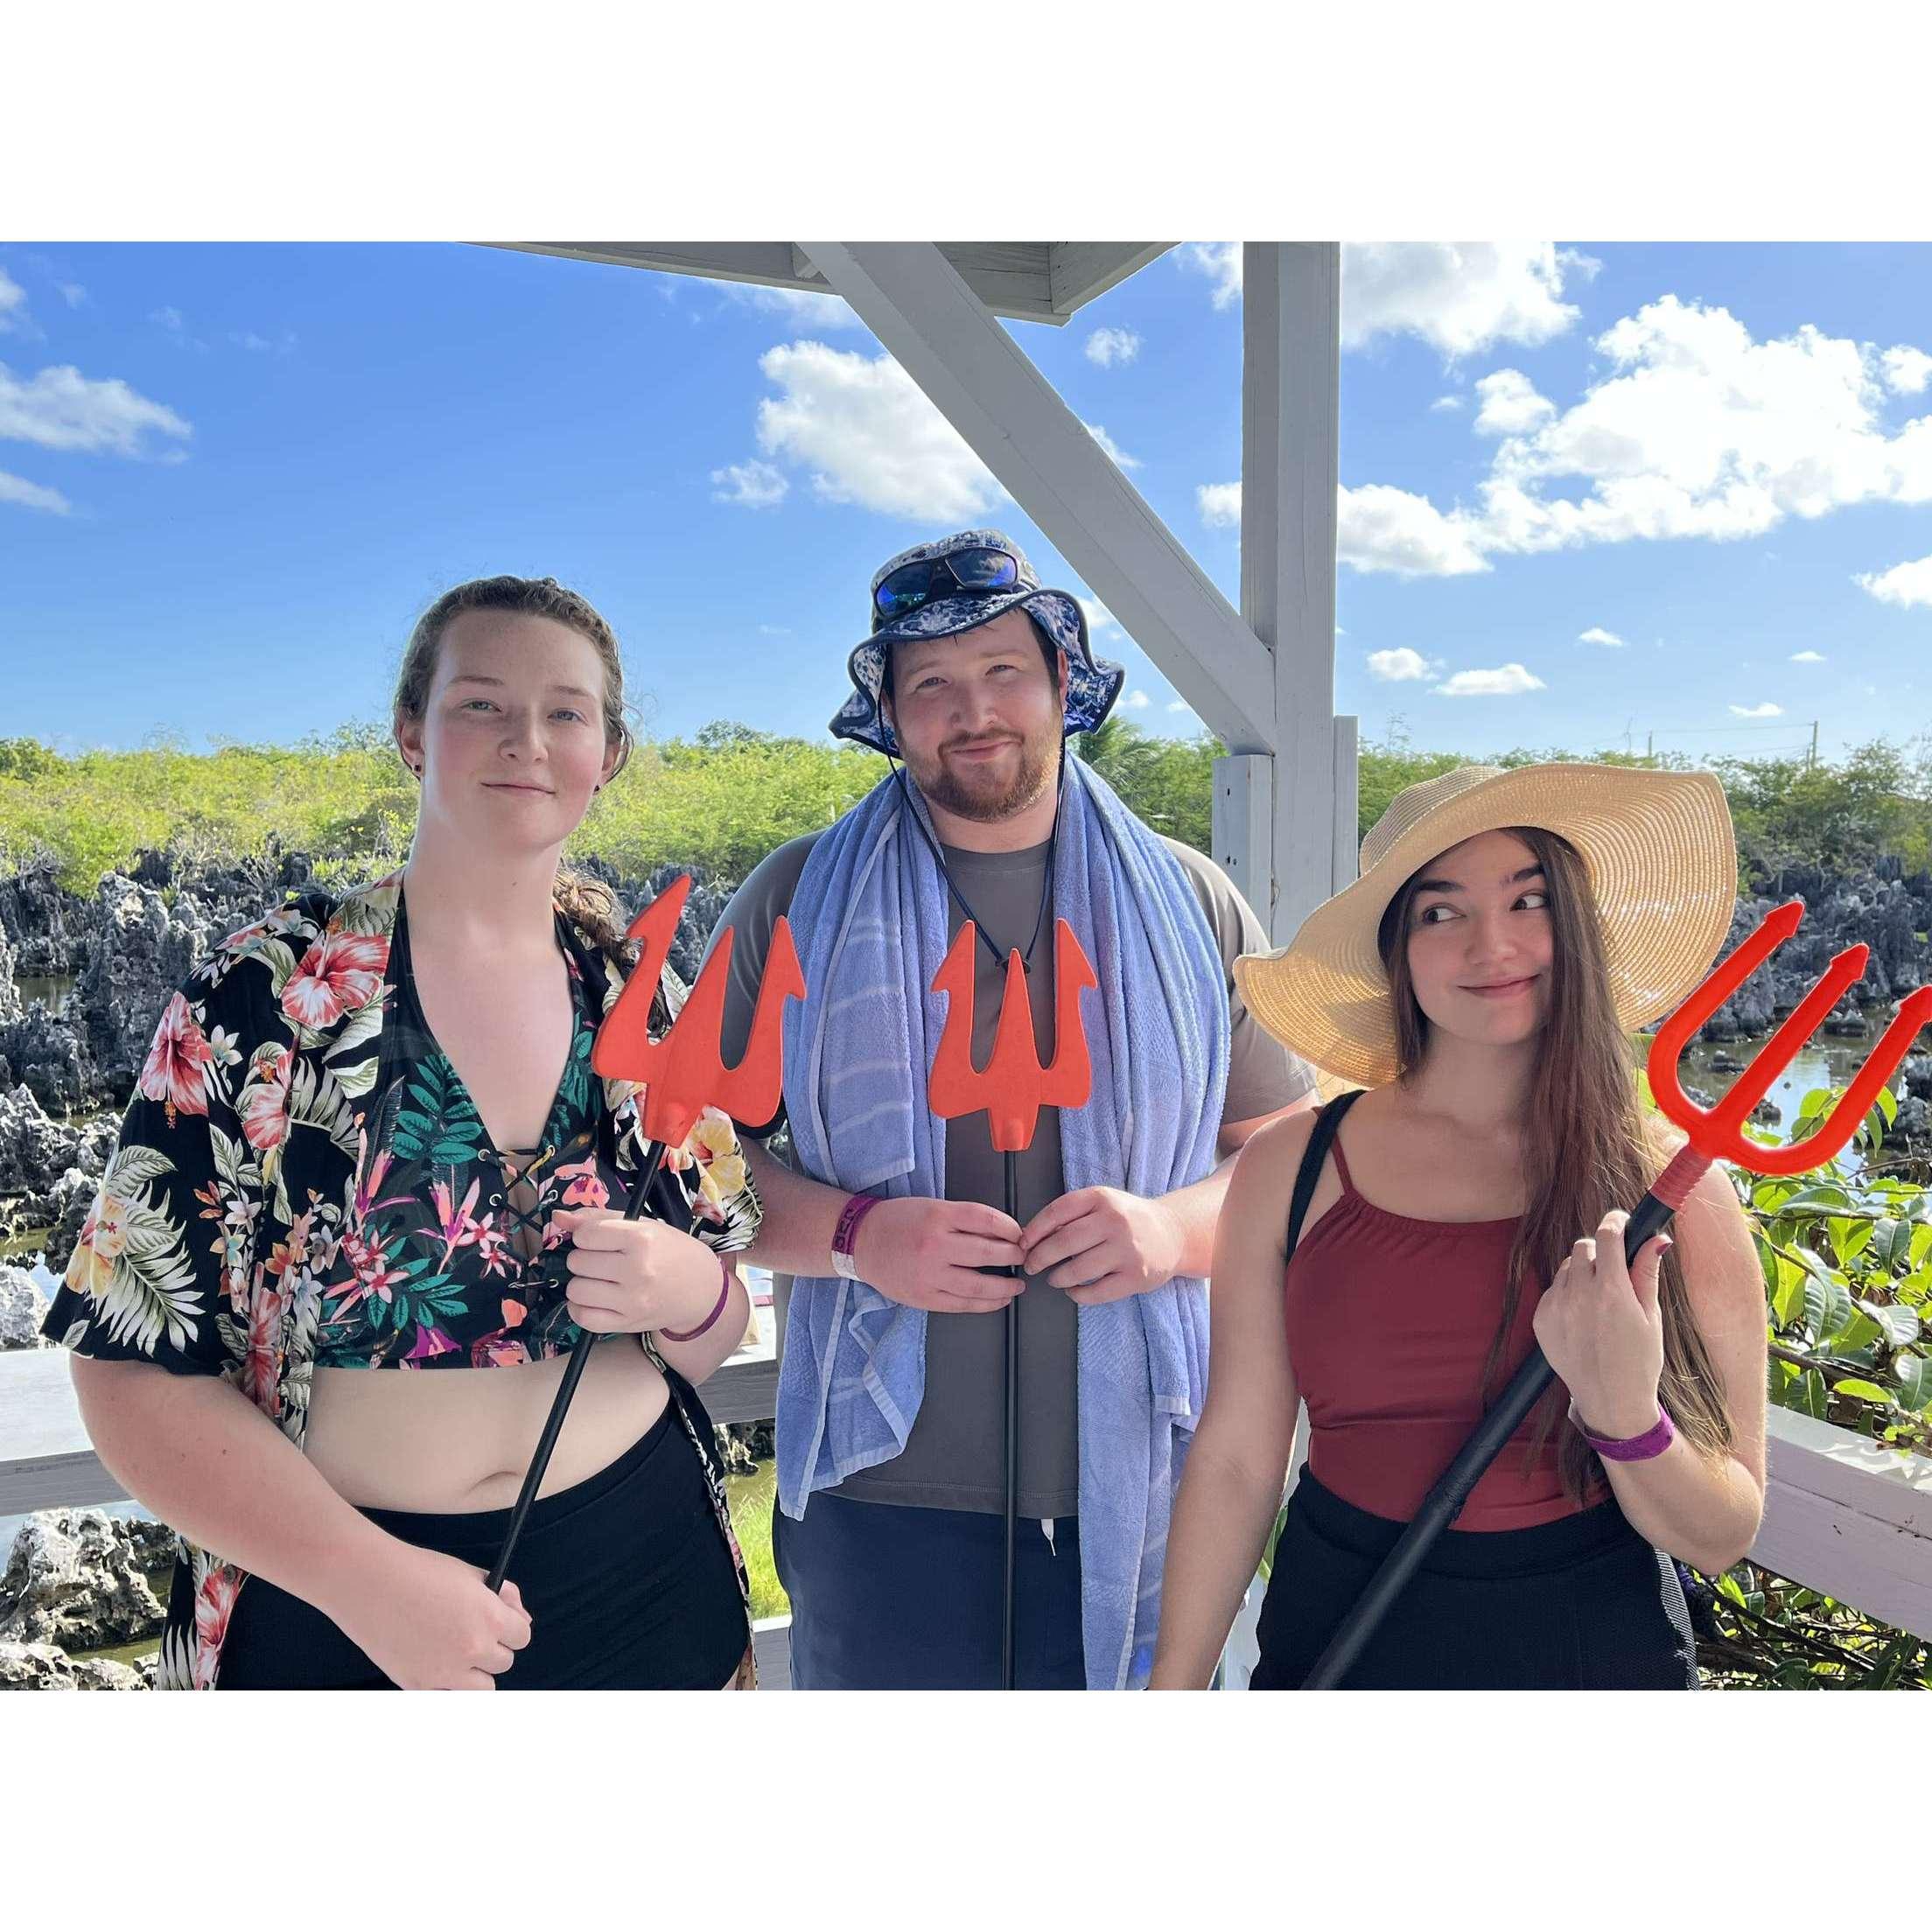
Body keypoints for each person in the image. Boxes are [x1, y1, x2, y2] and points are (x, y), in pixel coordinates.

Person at [42, 576, 764, 1690]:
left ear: (607, 752)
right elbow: (126, 1369)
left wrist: (688, 1288)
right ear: (410, 731)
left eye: (567, 711)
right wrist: (365, 1583)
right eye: (482, 703)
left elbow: (713, 1324)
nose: (526, 739)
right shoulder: (265, 992)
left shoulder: (642, 992)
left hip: (648, 1559)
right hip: (337, 1595)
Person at [709, 528, 1319, 1689]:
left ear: (1062, 687)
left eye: (1002, 673)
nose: (971, 710)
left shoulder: (1194, 901)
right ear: (888, 713)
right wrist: (854, 1238)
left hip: (1148, 1481)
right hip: (876, 1496)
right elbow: (690, 1167)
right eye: (929, 683)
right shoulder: (796, 898)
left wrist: (1173, 1232)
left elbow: (1283, 1155)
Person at [1150, 761, 1770, 1690]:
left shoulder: (1669, 1189)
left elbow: (1721, 1535)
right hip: (1340, 1620)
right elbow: (1240, 1455)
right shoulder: (1296, 1166)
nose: (1493, 945)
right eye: (1441, 912)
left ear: (1580, 929)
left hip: (1589, 1642)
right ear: (1399, 952)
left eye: (1530, 901)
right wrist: (1175, 1688)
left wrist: (1621, 1412)